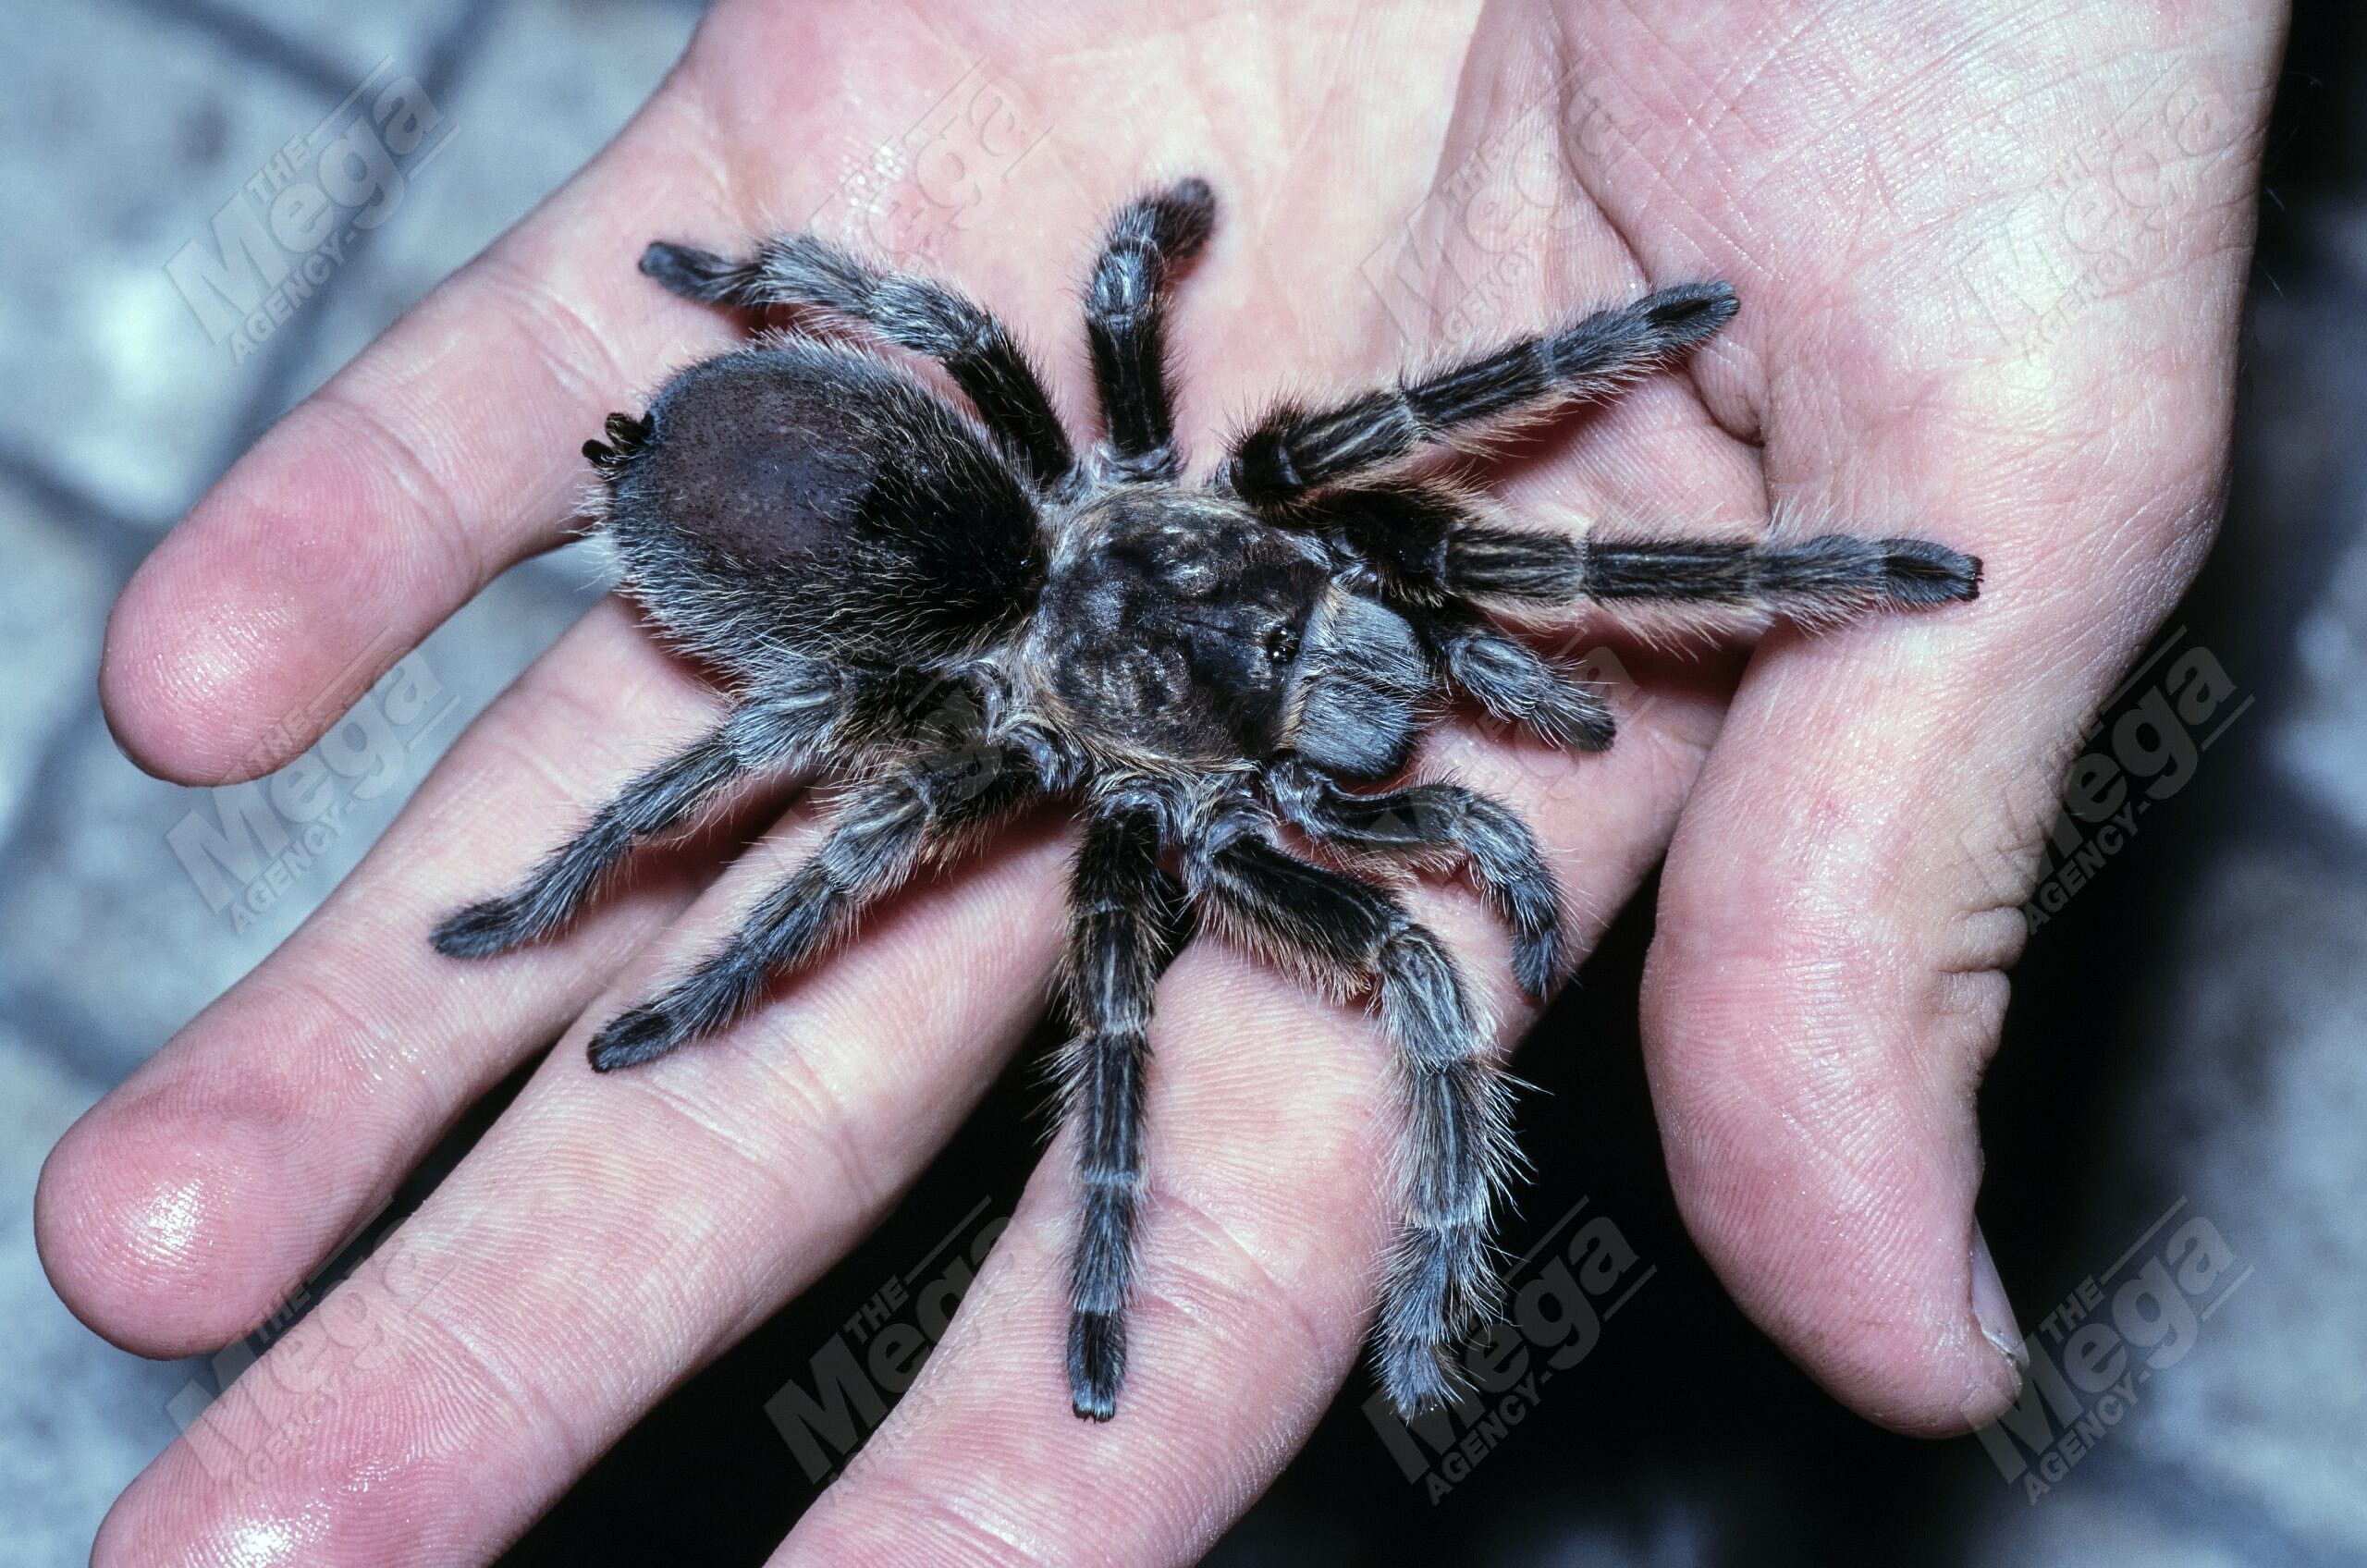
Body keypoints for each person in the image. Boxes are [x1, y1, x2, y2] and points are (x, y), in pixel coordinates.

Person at [41, 0, 2287, 1560]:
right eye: (1348, 625)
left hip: (977, 507)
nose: (1365, 659)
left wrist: (1701, 442)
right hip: (893, 565)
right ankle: (588, 932)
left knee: (1469, 574)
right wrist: (654, 964)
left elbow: (1170, 305)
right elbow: (1011, 418)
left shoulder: (1261, 491)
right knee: (992, 874)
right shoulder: (1115, 743)